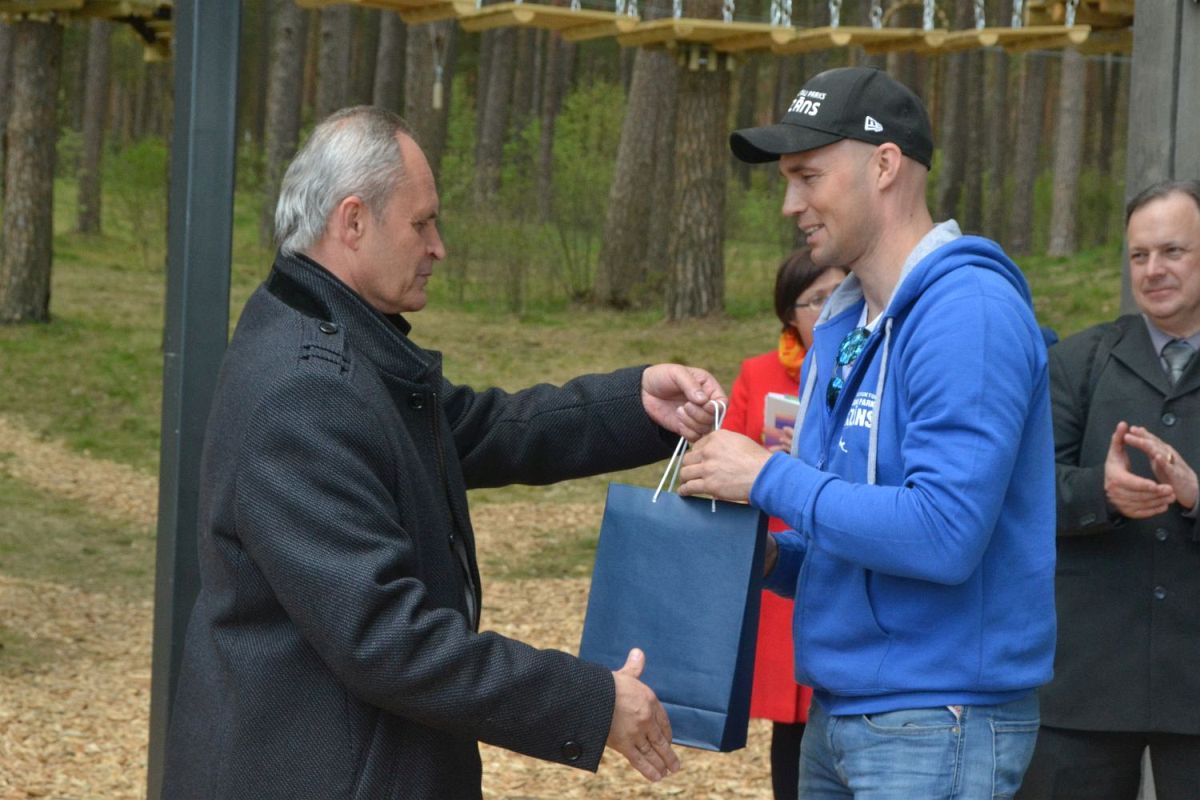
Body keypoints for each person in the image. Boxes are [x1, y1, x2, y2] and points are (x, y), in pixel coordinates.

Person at [159, 106, 728, 800]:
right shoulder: (305, 389)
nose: (439, 247)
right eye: (421, 224)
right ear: (352, 221)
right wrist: (591, 701)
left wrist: (634, 405)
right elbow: (386, 637)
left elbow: (481, 430)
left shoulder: (337, 336)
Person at [675, 66, 1057, 798]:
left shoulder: (966, 310)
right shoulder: (846, 324)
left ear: (884, 165)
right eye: (787, 180)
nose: (791, 204)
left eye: (808, 176)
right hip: (845, 712)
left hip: (935, 719)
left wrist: (766, 476)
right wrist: (762, 558)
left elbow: (944, 533)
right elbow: (843, 532)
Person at [1017, 180, 1200, 800]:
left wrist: (1196, 496)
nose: (1153, 270)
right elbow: (1024, 489)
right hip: (1086, 681)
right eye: (1139, 255)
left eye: (1173, 251)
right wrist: (1103, 491)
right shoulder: (1079, 360)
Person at [723, 250, 846, 800]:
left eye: (841, 294)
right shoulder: (758, 374)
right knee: (790, 727)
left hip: (844, 547)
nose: (830, 308)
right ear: (789, 313)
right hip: (780, 557)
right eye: (817, 299)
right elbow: (723, 458)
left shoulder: (867, 366)